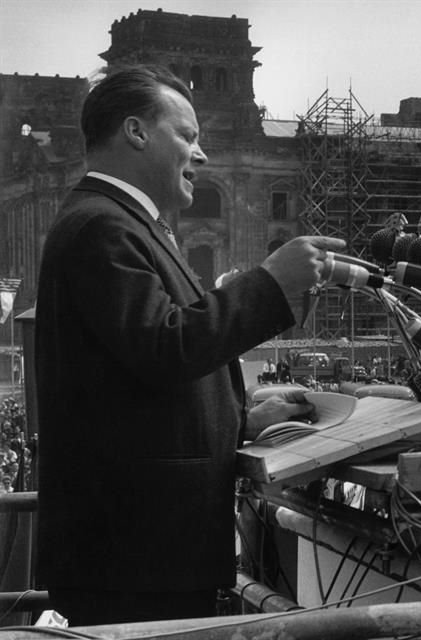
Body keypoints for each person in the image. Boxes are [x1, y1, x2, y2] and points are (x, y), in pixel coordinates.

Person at [34, 64, 344, 627]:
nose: (200, 156)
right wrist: (270, 281)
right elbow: (166, 346)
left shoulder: (126, 222)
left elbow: (134, 383)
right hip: (132, 555)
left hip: (143, 548)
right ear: (136, 132)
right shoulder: (103, 227)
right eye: (188, 136)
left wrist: (240, 418)